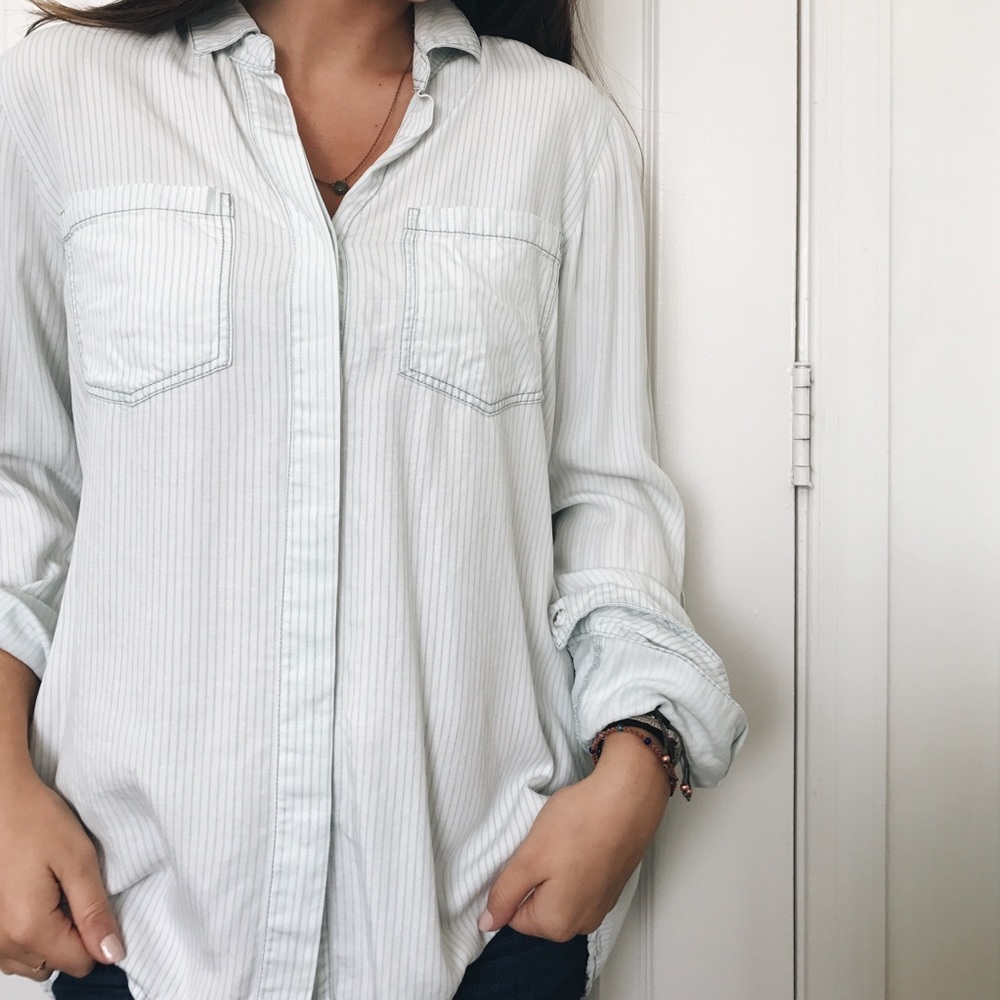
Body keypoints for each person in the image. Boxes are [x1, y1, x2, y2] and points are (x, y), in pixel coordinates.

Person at [0, 0, 749, 996]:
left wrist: (637, 768)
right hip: (138, 932)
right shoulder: (63, 96)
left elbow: (607, 505)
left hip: (481, 936)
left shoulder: (559, 132)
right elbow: (21, 482)